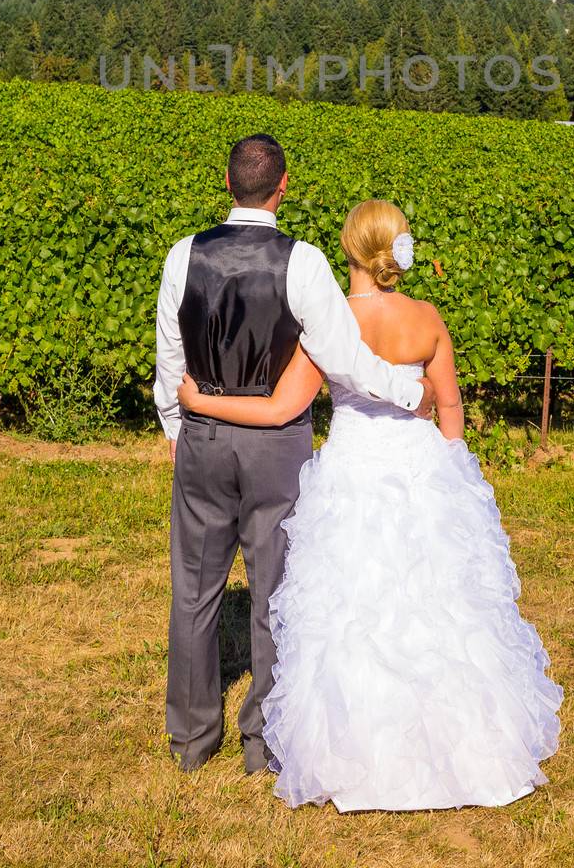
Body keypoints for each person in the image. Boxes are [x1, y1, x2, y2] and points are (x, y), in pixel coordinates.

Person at [178, 197, 563, 812]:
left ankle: (350, 749)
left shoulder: (330, 326)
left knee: (350, 607)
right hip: (420, 468)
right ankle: (463, 744)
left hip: (352, 471)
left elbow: (280, 410)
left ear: (348, 251)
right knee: (438, 604)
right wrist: (450, 469)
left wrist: (200, 404)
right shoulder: (428, 318)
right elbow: (449, 408)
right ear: (396, 253)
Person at [154, 137, 436, 775]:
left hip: (202, 432)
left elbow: (170, 353)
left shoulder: (183, 254)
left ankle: (193, 743)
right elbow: (344, 356)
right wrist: (407, 389)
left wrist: (177, 426)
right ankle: (264, 739)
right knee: (274, 589)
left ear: (227, 186)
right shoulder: (303, 262)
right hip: (277, 447)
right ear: (282, 188)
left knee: (194, 591)